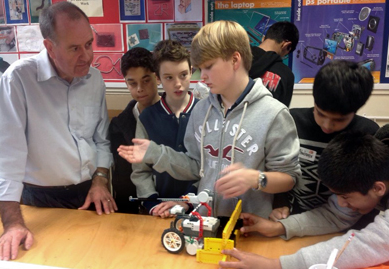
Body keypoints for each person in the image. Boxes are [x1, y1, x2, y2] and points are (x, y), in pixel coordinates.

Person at [118, 20, 301, 219]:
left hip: (249, 225)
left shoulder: (274, 113)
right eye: (199, 69)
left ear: (234, 60)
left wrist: (257, 178)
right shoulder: (202, 110)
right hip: (204, 222)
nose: (202, 77)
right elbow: (197, 167)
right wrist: (157, 154)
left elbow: (290, 178)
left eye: (208, 67)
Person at [0, 2, 114, 261]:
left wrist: (99, 179)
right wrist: (13, 224)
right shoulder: (18, 80)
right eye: (74, 48)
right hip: (38, 200)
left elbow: (101, 140)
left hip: (88, 194)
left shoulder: (94, 79)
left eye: (88, 44)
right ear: (49, 47)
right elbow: (7, 160)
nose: (86, 56)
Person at [239, 60, 379, 240]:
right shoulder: (290, 121)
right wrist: (281, 204)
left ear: (355, 111)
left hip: (346, 230)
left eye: (339, 120)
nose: (327, 126)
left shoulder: (368, 134)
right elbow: (276, 167)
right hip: (291, 220)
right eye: (320, 113)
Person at [220, 130, 389, 269]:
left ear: (378, 188)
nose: (341, 203)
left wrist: (275, 265)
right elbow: (335, 215)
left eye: (345, 197)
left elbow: (374, 243)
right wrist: (279, 227)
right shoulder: (376, 158)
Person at [131, 40, 198, 217]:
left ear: (192, 71)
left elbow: (211, 167)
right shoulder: (146, 118)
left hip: (198, 207)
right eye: (169, 77)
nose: (178, 83)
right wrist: (152, 203)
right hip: (159, 210)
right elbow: (140, 171)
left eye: (183, 75)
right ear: (158, 78)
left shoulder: (206, 114)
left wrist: (189, 200)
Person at [109, 47, 160, 214]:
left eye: (146, 80)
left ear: (157, 77)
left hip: (168, 204)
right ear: (126, 83)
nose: (139, 88)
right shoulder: (118, 126)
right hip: (131, 208)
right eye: (132, 83)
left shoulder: (173, 117)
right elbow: (121, 178)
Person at [249, 21, 299, 107]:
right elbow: (282, 113)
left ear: (263, 38)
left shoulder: (238, 58)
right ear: (286, 45)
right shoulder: (286, 74)